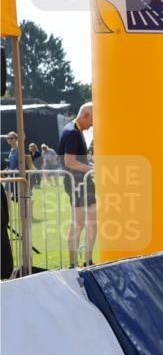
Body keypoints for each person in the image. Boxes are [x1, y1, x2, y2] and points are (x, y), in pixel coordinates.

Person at [57, 102, 96, 267]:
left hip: (82, 182)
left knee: (91, 222)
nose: (92, 125)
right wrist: (92, 169)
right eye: (92, 121)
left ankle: (87, 261)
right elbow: (70, 162)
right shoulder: (73, 132)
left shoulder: (73, 130)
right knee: (78, 224)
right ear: (86, 115)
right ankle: (73, 264)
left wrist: (90, 166)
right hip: (77, 183)